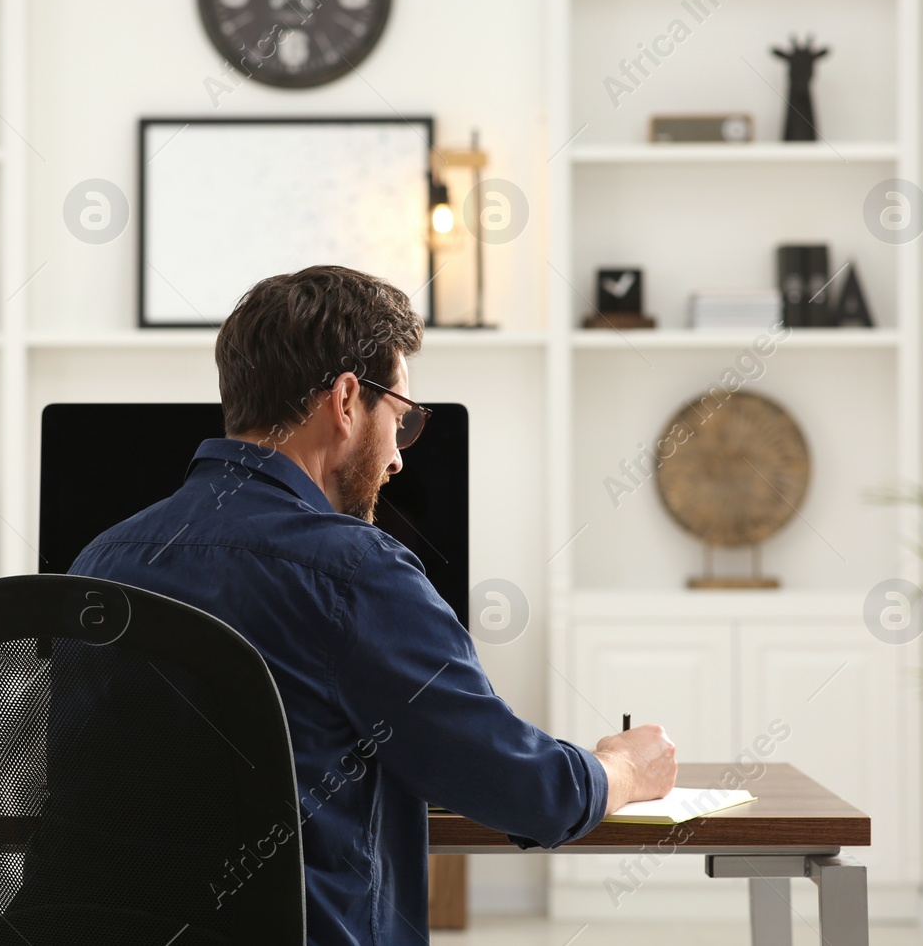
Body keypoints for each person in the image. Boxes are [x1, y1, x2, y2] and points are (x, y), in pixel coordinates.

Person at [67, 265, 677, 944]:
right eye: (403, 419)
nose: (399, 458)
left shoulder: (98, 561)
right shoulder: (354, 569)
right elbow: (526, 791)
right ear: (348, 399)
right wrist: (621, 768)